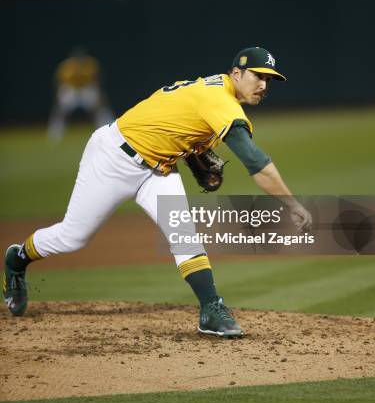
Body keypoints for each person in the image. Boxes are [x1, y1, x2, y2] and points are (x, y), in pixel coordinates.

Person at [3, 47, 312, 337]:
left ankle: (211, 310)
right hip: (113, 158)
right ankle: (17, 259)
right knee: (74, 237)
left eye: (269, 79)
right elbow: (257, 164)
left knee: (184, 234)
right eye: (258, 76)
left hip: (159, 169)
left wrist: (192, 152)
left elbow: (176, 121)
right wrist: (293, 205)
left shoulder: (211, 90)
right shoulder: (221, 101)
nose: (263, 85)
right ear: (236, 74)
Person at [47, 47, 113, 140]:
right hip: (72, 90)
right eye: (77, 59)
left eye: (81, 58)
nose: (79, 60)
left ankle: (109, 131)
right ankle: (55, 135)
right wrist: (59, 96)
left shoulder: (90, 64)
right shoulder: (66, 66)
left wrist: (100, 95)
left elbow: (96, 81)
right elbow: (60, 83)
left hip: (86, 89)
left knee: (100, 109)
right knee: (61, 111)